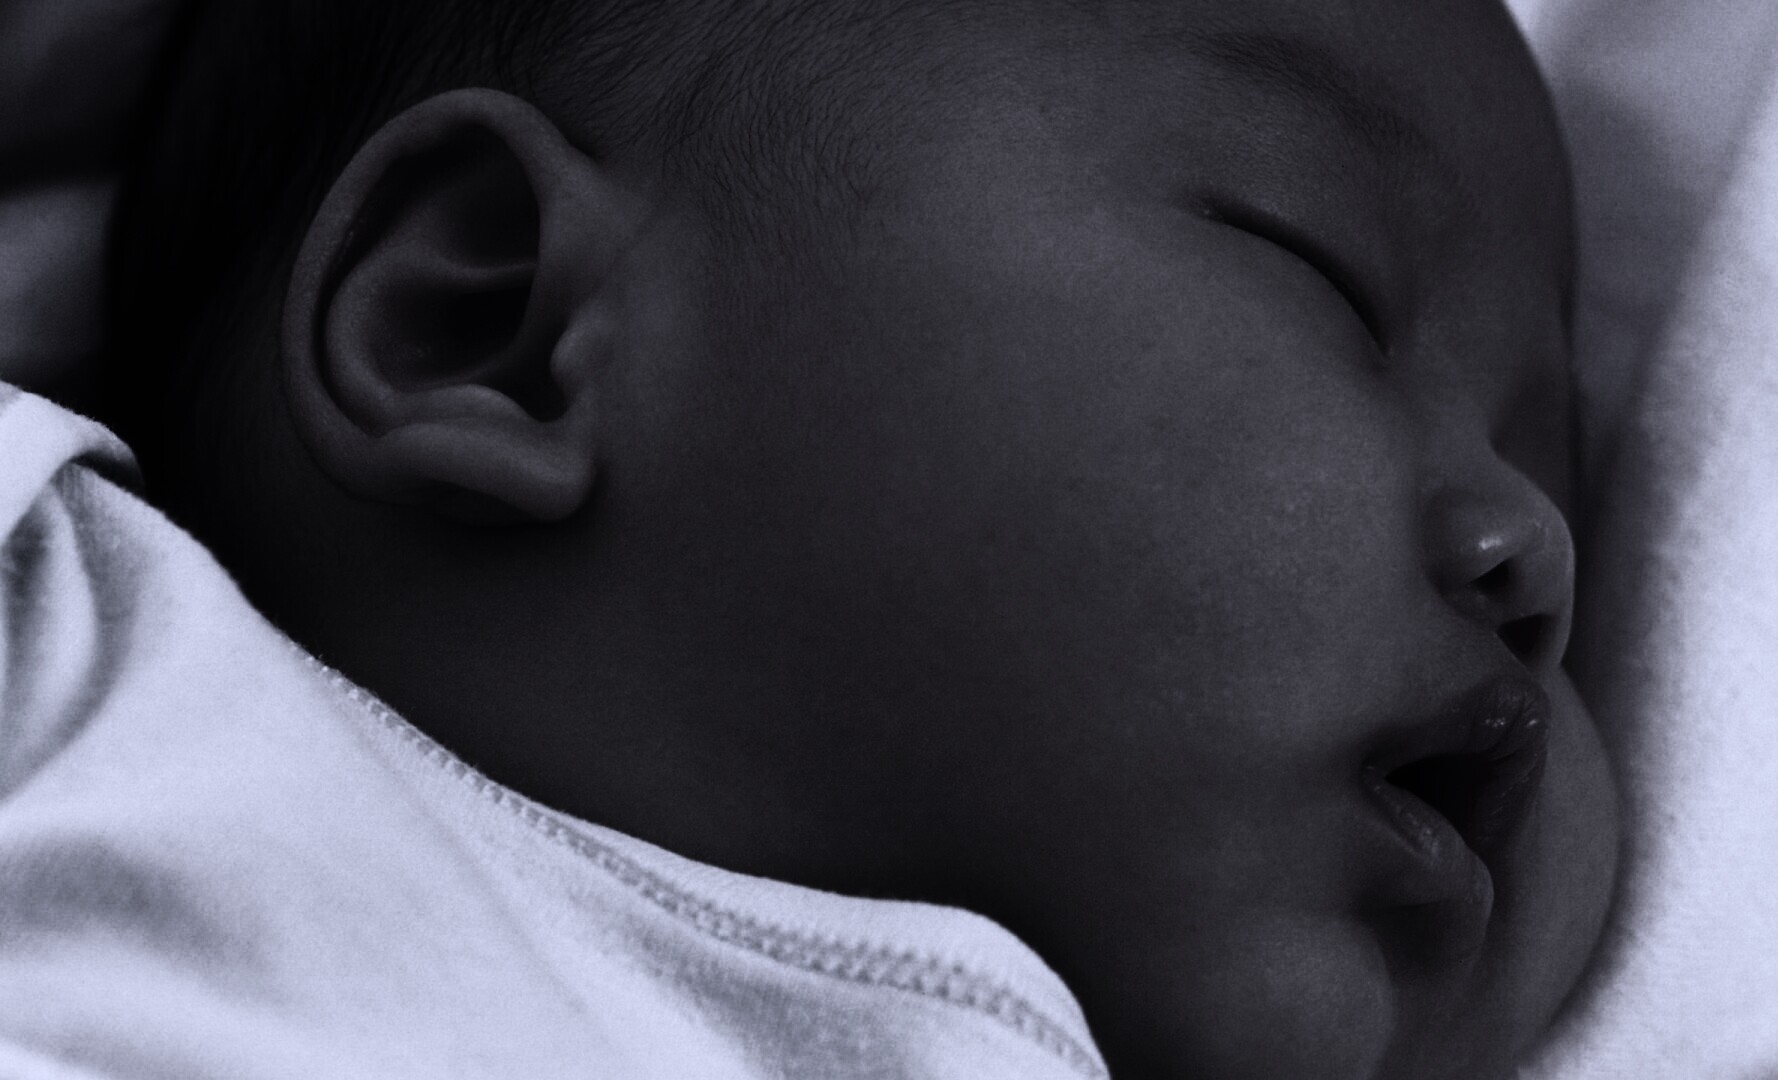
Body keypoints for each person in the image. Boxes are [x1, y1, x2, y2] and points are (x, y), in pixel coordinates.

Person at [0, 0, 1618, 1076]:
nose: (1533, 541)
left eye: (1548, 460)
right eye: (1325, 274)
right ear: (489, 322)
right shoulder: (84, 658)